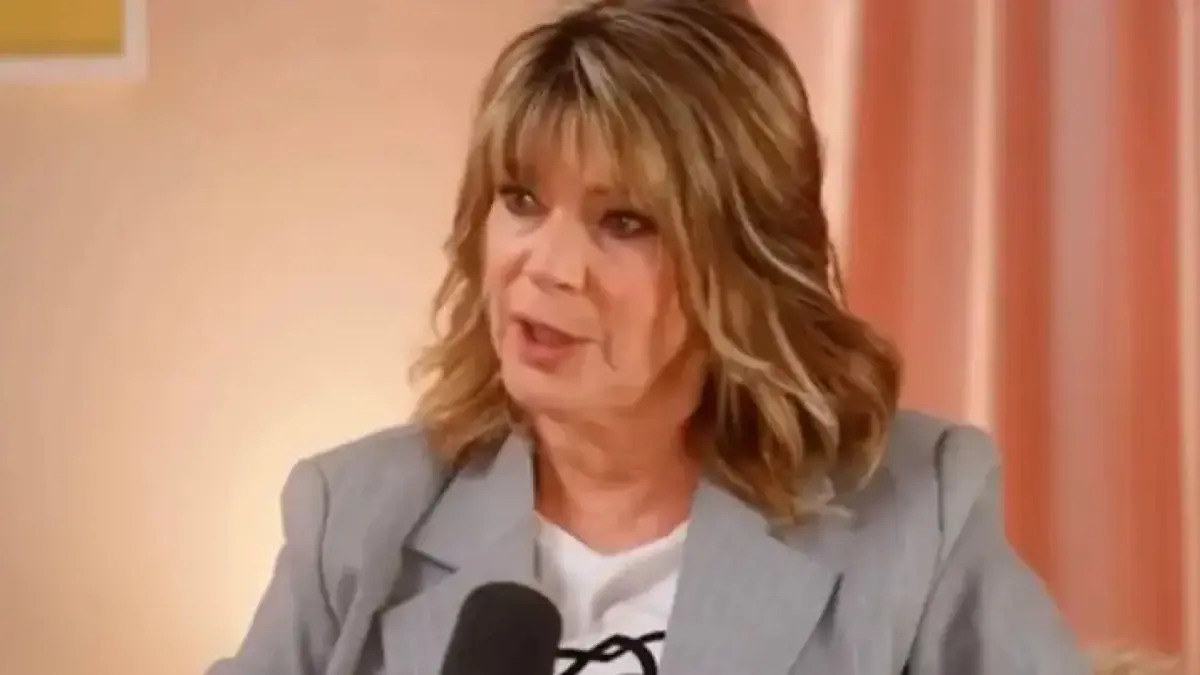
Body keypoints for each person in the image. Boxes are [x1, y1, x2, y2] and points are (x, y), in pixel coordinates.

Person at [208, 1, 1090, 674]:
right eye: (521, 200)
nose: (548, 266)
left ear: (740, 264)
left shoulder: (915, 516)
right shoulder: (356, 519)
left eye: (623, 222)